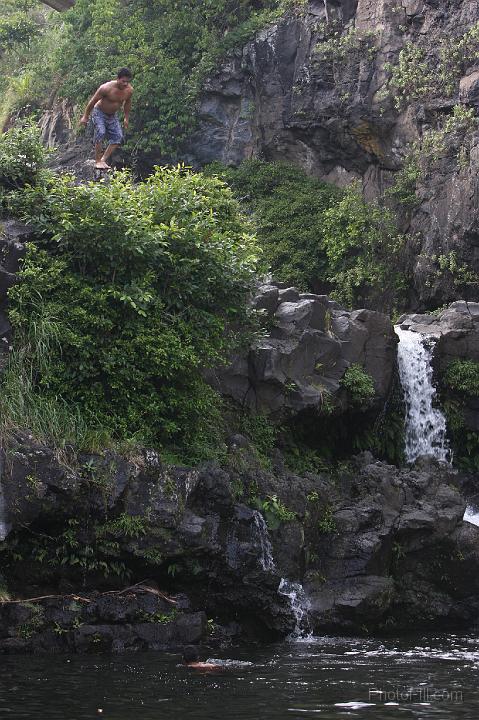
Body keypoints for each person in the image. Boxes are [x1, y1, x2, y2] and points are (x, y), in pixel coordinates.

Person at [79, 68, 133, 170]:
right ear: (117, 79)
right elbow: (93, 101)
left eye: (127, 82)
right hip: (99, 112)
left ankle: (103, 159)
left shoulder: (129, 91)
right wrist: (85, 116)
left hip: (112, 115)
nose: (125, 84)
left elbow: (127, 103)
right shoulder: (105, 88)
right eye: (123, 81)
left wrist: (126, 118)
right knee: (101, 132)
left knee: (118, 137)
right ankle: (97, 160)